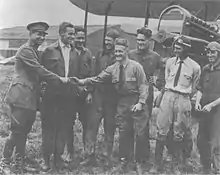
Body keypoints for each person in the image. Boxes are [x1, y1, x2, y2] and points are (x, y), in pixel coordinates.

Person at [70, 37, 149, 173]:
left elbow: (143, 85)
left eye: (121, 51)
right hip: (123, 102)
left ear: (126, 51)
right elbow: (98, 78)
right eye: (116, 51)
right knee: (124, 131)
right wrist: (83, 82)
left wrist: (141, 103)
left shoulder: (136, 67)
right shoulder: (113, 68)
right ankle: (124, 160)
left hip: (136, 100)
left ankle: (139, 162)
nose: (118, 54)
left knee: (140, 133)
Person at [1, 22, 68, 174]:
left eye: (44, 34)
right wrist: (60, 79)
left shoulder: (35, 52)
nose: (41, 37)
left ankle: (18, 164)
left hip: (30, 99)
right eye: (38, 33)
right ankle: (4, 162)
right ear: (30, 34)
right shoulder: (26, 51)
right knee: (17, 131)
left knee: (23, 132)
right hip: (20, 97)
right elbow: (39, 70)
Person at [150, 36, 201, 173]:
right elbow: (167, 79)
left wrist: (185, 98)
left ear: (187, 49)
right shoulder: (170, 62)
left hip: (183, 97)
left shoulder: (195, 67)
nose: (176, 49)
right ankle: (157, 164)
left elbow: (195, 86)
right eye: (175, 46)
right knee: (162, 129)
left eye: (180, 47)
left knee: (180, 130)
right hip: (169, 94)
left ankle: (177, 164)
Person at [40, 22, 78, 170]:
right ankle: (46, 160)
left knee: (63, 128)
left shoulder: (75, 52)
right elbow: (42, 73)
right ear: (61, 34)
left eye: (73, 34)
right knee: (49, 128)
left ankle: (58, 158)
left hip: (68, 97)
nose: (72, 37)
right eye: (70, 34)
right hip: (51, 97)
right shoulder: (49, 51)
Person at [80, 29, 120, 166]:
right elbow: (93, 73)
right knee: (92, 126)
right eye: (106, 40)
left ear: (116, 42)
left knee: (110, 127)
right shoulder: (99, 54)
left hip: (112, 98)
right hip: (98, 96)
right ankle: (89, 155)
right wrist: (90, 92)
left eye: (110, 40)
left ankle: (105, 156)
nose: (107, 43)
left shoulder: (119, 57)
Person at [128, 27, 163, 165]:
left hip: (147, 95)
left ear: (149, 41)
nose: (139, 43)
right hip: (131, 94)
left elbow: (163, 69)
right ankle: (128, 156)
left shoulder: (155, 57)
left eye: (142, 40)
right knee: (129, 125)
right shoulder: (131, 54)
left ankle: (143, 158)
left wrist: (156, 79)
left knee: (143, 128)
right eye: (137, 40)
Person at [195, 41, 220, 174]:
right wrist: (198, 102)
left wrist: (211, 105)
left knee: (216, 143)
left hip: (217, 112)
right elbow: (200, 88)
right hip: (205, 111)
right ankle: (206, 168)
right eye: (208, 52)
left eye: (213, 52)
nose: (210, 55)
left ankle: (217, 170)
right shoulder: (205, 69)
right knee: (201, 140)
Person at [73, 26, 95, 157]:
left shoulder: (88, 53)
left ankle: (87, 152)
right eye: (78, 37)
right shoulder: (69, 52)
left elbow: (92, 74)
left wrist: (90, 92)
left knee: (87, 122)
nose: (80, 40)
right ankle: (67, 152)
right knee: (68, 122)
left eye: (83, 38)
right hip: (70, 92)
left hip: (84, 92)